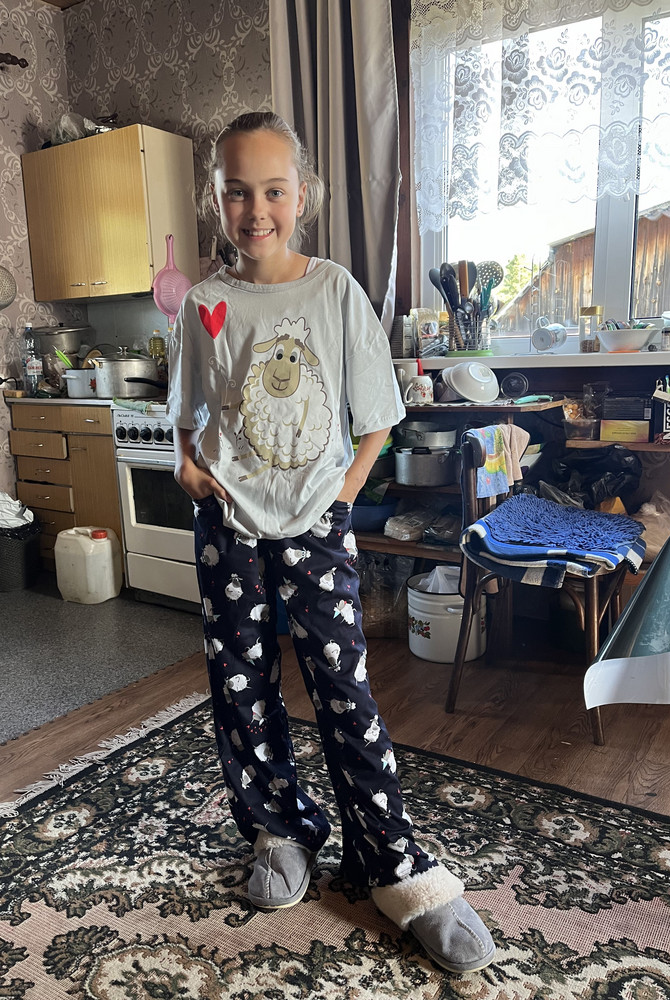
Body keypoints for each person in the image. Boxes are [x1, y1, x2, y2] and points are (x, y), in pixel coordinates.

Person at [166, 111, 496, 975]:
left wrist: (342, 501)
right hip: (227, 526)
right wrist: (185, 465)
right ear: (216, 199)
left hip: (316, 524)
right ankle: (278, 830)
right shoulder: (202, 303)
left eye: (273, 190)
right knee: (240, 687)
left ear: (302, 196)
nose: (256, 210)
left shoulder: (336, 291)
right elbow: (187, 410)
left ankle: (394, 865)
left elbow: (377, 420)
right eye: (237, 192)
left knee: (343, 689)